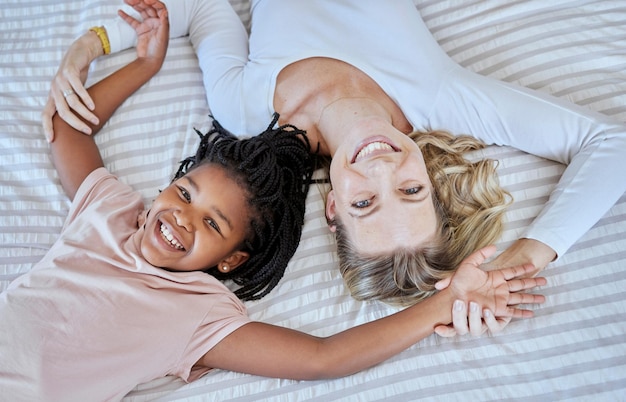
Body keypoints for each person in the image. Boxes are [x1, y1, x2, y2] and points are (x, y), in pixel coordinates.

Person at [1, 6, 547, 400]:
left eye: (210, 224)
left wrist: (439, 308)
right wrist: (140, 65)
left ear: (230, 261)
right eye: (185, 195)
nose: (180, 217)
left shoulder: (195, 314)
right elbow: (68, 131)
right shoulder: (110, 210)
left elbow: (322, 358)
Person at [43, 0, 626, 309]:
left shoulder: (248, 111)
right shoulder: (442, 98)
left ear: (332, 209)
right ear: (429, 175)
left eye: (366, 202)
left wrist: (92, 44)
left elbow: (195, 9)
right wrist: (527, 254)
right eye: (411, 189)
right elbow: (610, 144)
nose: (379, 166)